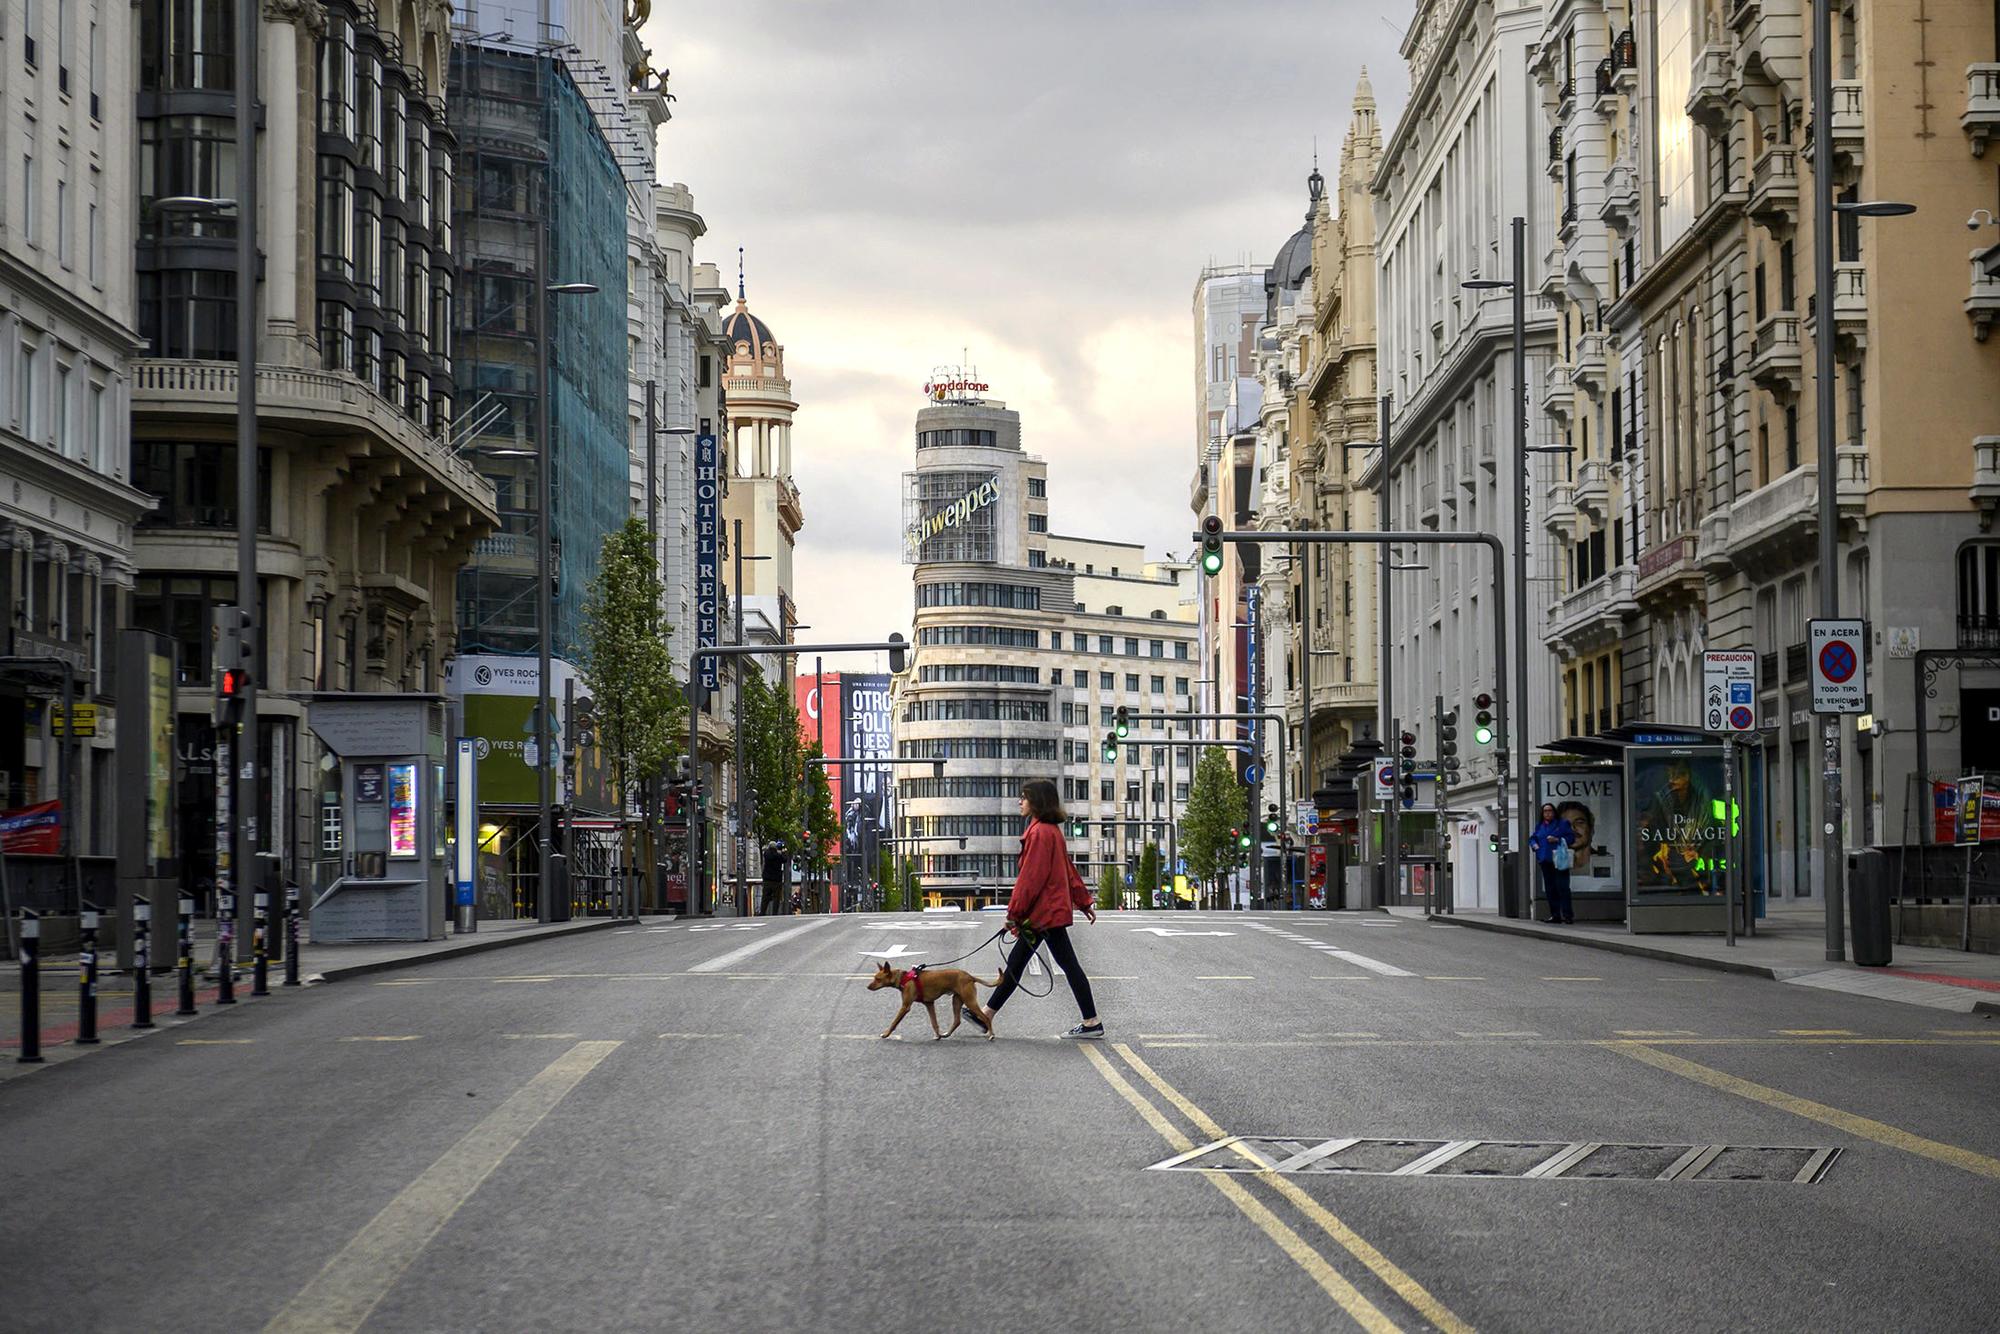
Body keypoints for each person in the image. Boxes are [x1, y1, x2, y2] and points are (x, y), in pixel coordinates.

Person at [981, 779, 1103, 1040]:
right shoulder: (1051, 832)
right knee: (1030, 963)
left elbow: (1030, 880)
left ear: (1036, 801)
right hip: (1048, 914)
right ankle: (986, 1014)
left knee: (1046, 964)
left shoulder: (1039, 834)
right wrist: (1083, 901)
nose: (1020, 802)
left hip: (1043, 915)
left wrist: (1013, 915)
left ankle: (1092, 1021)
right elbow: (1069, 870)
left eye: (1024, 797)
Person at [1529, 802, 1577, 924]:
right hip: (1545, 859)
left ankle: (1568, 915)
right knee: (1551, 889)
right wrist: (1535, 846)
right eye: (1545, 811)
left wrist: (1558, 839)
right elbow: (1533, 838)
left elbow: (1571, 838)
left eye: (1550, 811)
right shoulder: (1540, 825)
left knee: (1563, 887)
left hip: (1559, 859)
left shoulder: (1562, 824)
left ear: (1554, 812)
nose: (1548, 813)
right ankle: (1555, 915)